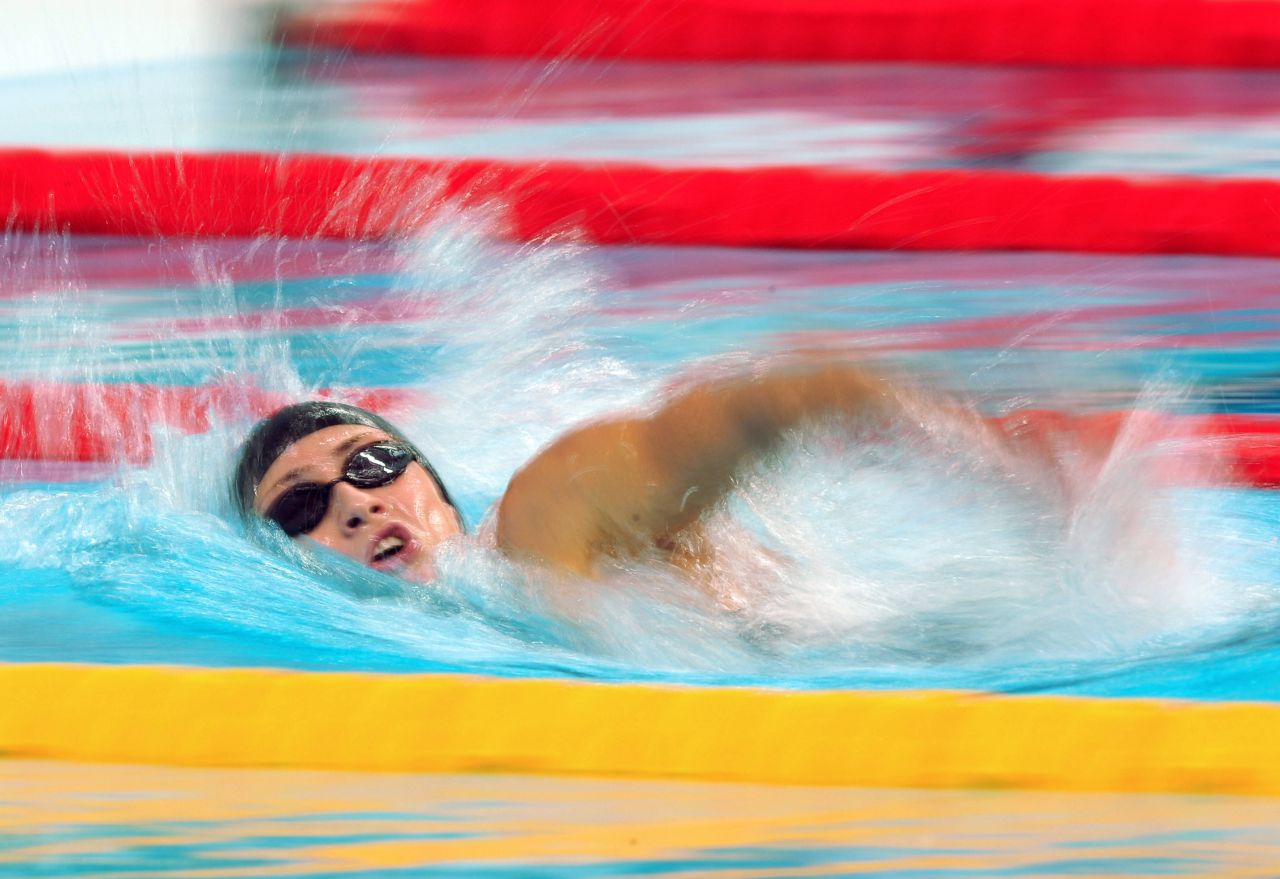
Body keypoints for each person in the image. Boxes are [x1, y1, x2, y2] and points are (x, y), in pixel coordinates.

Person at [233, 358, 962, 584]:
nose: (354, 503)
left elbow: (667, 453)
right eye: (299, 510)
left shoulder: (535, 526)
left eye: (372, 462)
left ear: (438, 489)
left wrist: (810, 394)